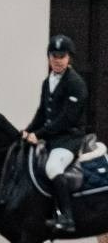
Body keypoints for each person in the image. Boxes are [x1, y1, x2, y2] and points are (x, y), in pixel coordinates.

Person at [21, 35, 88, 233]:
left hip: (69, 138)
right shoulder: (47, 82)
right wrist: (28, 130)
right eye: (53, 55)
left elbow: (66, 119)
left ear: (69, 58)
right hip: (53, 137)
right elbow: (42, 112)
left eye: (62, 56)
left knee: (52, 167)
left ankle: (67, 216)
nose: (57, 60)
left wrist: (39, 134)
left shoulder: (76, 83)